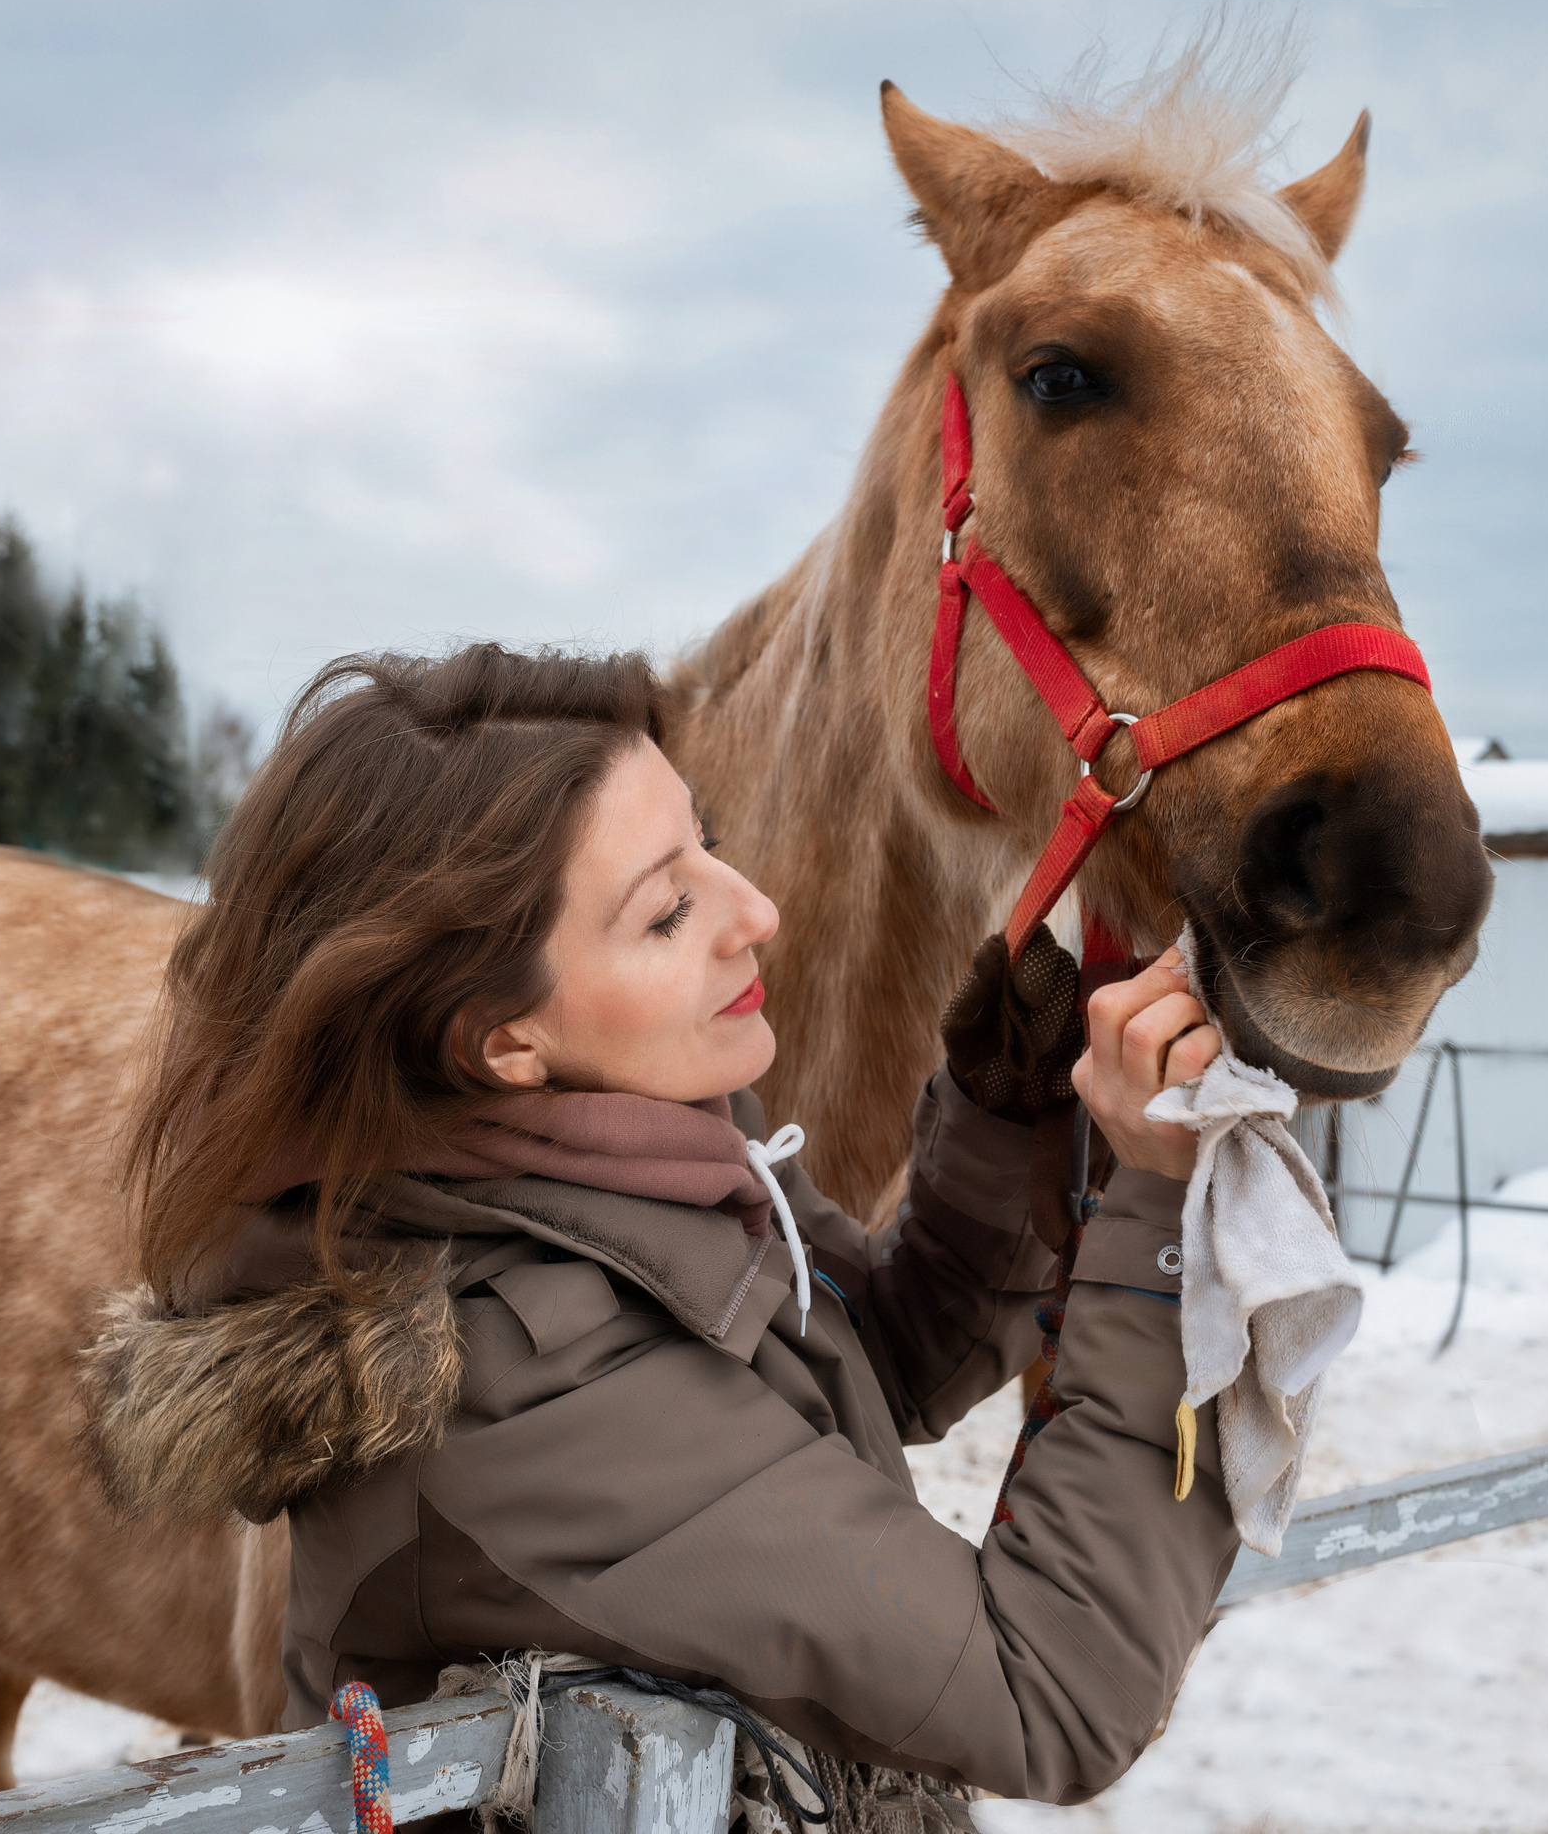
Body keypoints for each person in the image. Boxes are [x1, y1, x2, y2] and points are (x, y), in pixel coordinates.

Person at [90, 643, 1238, 1823]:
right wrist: (1165, 1229)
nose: (756, 912)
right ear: (502, 1042)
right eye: (667, 911)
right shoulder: (515, 1392)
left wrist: (1004, 1105)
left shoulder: (620, 1161)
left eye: (708, 840)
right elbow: (1048, 1690)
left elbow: (866, 1370)